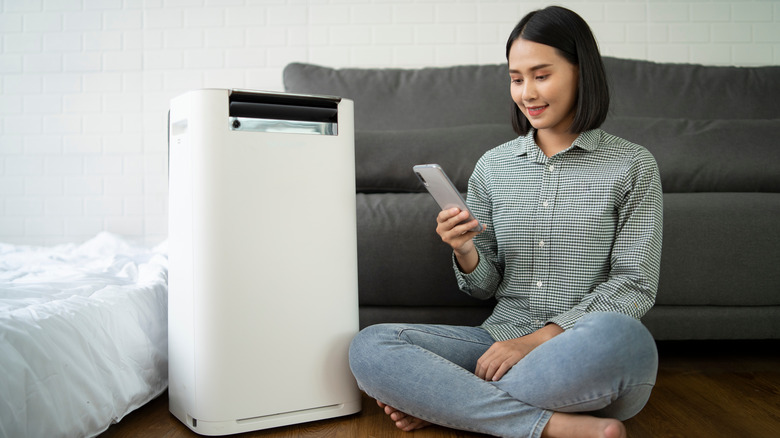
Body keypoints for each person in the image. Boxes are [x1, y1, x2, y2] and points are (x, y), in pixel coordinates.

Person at [349, 5, 663, 438]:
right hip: (497, 341)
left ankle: (447, 403)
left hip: (584, 351)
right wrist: (465, 250)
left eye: (541, 74)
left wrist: (535, 342)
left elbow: (634, 286)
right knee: (370, 345)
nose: (527, 92)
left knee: (624, 337)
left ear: (581, 72)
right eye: (516, 79)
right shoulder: (494, 167)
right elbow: (486, 287)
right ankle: (551, 426)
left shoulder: (632, 165)